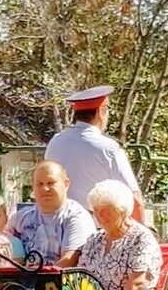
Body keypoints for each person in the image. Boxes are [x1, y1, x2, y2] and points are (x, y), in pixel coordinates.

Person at [45, 85, 145, 222]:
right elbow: (135, 200)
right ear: (101, 112)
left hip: (59, 225)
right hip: (98, 228)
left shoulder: (55, 142)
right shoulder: (108, 148)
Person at [77, 180, 162, 290]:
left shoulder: (141, 239)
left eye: (105, 210)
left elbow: (136, 287)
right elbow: (80, 277)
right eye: (96, 210)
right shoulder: (94, 240)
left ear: (122, 210)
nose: (99, 216)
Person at [7, 160, 96, 267]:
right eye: (40, 184)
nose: (45, 188)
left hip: (58, 281)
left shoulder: (76, 216)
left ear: (66, 184)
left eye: (51, 183)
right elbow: (2, 241)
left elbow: (69, 260)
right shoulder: (21, 216)